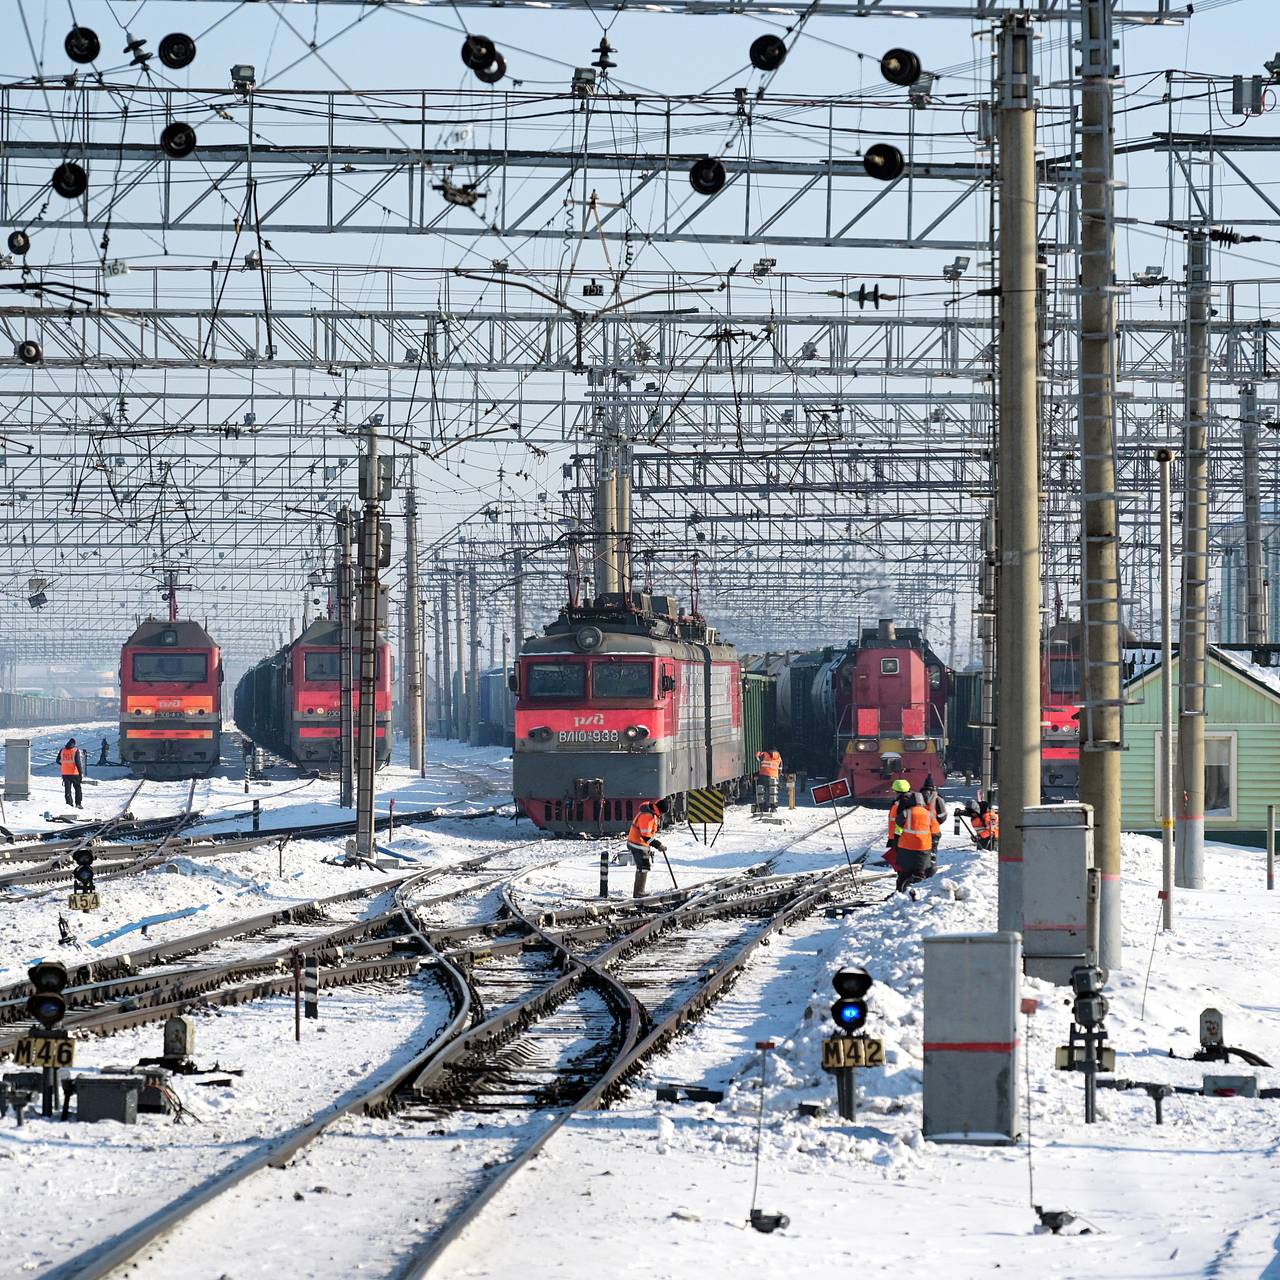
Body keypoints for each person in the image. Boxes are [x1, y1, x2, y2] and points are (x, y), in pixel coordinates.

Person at [884, 789, 935, 894]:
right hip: (924, 849)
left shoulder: (906, 812)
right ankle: (920, 893)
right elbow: (935, 831)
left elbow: (898, 823)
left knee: (903, 873)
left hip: (906, 848)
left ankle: (900, 893)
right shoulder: (929, 814)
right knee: (921, 873)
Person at [624, 801, 667, 898]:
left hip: (639, 843)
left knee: (643, 867)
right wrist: (658, 845)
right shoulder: (647, 816)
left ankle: (639, 891)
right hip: (637, 843)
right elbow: (645, 836)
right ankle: (639, 893)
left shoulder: (651, 813)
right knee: (643, 867)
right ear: (660, 810)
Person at [921, 774, 947, 856]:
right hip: (934, 829)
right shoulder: (938, 798)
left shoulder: (918, 797)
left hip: (920, 829)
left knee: (921, 850)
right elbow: (943, 816)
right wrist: (936, 822)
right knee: (932, 851)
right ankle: (931, 865)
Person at [58, 738, 86, 808]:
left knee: (67, 790)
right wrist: (81, 773)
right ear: (74, 744)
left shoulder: (62, 750)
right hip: (75, 773)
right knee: (77, 789)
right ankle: (78, 804)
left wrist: (63, 765)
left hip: (65, 774)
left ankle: (69, 804)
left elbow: (57, 760)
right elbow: (78, 763)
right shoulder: (75, 750)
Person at [886, 777, 912, 849]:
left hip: (899, 838)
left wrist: (894, 839)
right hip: (903, 837)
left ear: (896, 792)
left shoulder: (899, 805)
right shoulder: (911, 802)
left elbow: (898, 824)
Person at [755, 747, 783, 811]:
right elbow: (780, 769)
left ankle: (762, 806)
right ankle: (773, 807)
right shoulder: (778, 757)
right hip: (774, 776)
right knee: (773, 792)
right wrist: (777, 776)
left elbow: (757, 758)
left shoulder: (764, 754)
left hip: (763, 775)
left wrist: (758, 753)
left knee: (762, 791)